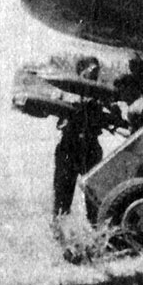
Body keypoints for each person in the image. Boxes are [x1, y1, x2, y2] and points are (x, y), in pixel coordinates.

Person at [53, 56, 113, 219]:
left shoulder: (100, 93)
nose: (96, 74)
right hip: (68, 148)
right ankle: (60, 237)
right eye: (92, 70)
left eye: (97, 71)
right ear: (81, 71)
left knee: (95, 202)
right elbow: (52, 108)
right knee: (61, 202)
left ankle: (98, 238)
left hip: (91, 148)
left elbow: (115, 113)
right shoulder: (64, 91)